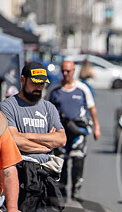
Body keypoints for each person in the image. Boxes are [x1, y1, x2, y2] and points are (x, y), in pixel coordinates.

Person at [0, 62, 66, 212]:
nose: (38, 88)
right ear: (23, 79)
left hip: (45, 176)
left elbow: (61, 139)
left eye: (42, 84)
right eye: (35, 83)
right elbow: (12, 140)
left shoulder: (48, 107)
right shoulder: (9, 106)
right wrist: (44, 139)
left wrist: (27, 138)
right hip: (18, 174)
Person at [47, 59, 101, 198]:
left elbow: (92, 108)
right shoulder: (54, 89)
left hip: (78, 129)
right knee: (61, 159)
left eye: (68, 71)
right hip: (61, 131)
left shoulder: (82, 88)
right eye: (63, 71)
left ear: (74, 71)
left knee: (78, 158)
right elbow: (45, 108)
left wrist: (97, 127)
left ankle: (76, 187)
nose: (65, 74)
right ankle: (63, 187)